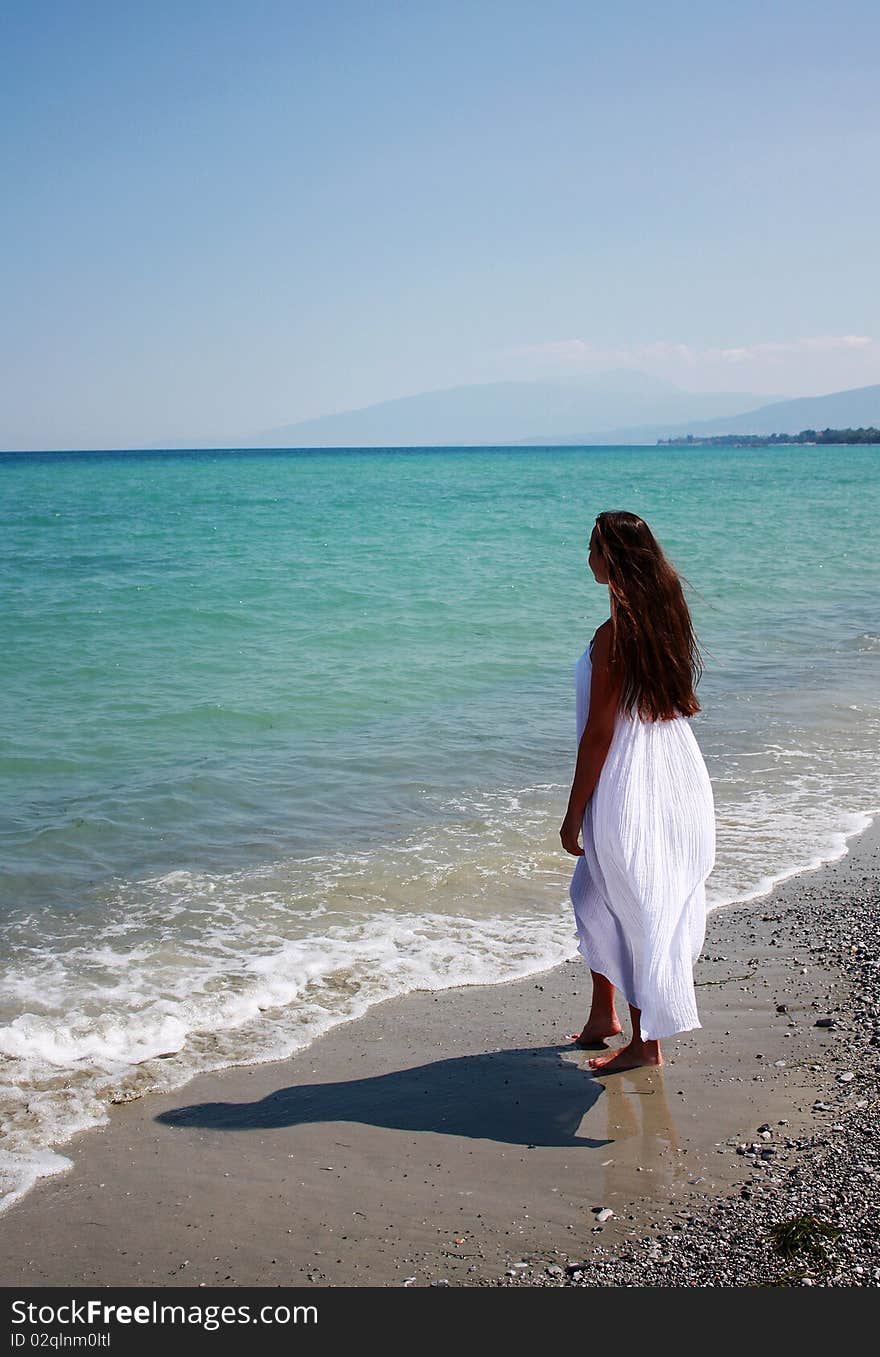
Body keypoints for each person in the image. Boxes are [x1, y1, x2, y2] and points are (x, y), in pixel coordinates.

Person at [559, 510, 715, 1073]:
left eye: (594, 548)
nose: (588, 558)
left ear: (615, 559)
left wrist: (573, 814)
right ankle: (606, 1015)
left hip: (631, 780)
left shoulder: (614, 638)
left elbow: (599, 734)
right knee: (594, 895)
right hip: (673, 771)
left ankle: (646, 1045)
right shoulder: (661, 621)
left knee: (633, 903)